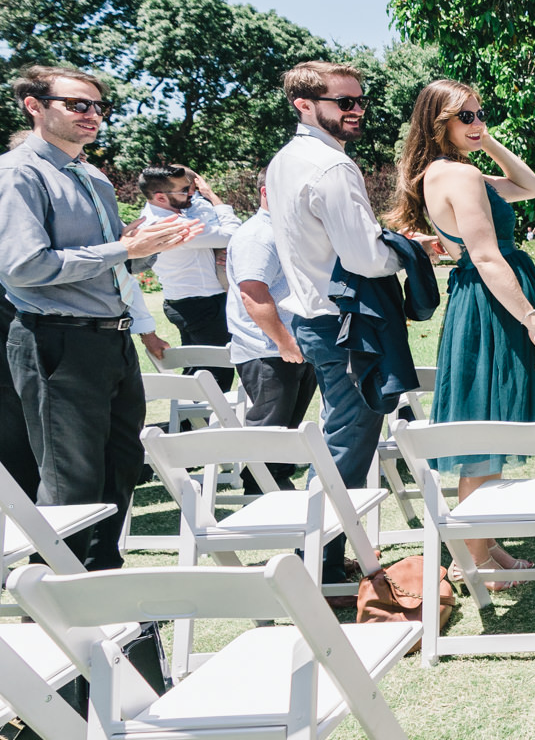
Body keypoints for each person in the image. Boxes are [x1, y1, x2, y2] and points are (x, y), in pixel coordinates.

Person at [0, 65, 200, 570]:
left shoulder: (93, 177)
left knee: (121, 467)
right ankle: (56, 604)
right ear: (35, 106)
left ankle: (103, 583)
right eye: (77, 104)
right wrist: (121, 248)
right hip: (56, 339)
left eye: (98, 106)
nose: (92, 115)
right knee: (71, 481)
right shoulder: (18, 174)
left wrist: (150, 246)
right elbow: (23, 267)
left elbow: (118, 262)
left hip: (113, 339)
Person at [388, 78, 535, 582]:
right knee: (485, 424)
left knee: (490, 422)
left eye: (481, 113)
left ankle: (484, 548)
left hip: (485, 299)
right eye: (466, 117)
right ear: (439, 123)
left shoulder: (460, 172)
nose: (478, 122)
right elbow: (485, 255)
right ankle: (473, 560)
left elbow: (531, 186)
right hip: (493, 304)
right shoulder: (457, 178)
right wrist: (532, 322)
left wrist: (485, 141)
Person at [267, 60, 408, 592]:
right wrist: (407, 253)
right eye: (342, 102)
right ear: (304, 104)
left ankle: (322, 555)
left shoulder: (285, 160)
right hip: (341, 322)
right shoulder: (331, 167)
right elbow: (366, 258)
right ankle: (315, 569)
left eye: (359, 101)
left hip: (313, 317)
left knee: (340, 440)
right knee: (347, 447)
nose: (356, 110)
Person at [226, 169, 314, 492]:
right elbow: (253, 294)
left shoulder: (287, 230)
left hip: (292, 345)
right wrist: (284, 341)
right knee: (269, 429)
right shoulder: (257, 236)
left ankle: (274, 483)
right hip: (269, 350)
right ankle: (261, 489)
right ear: (266, 192)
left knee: (286, 430)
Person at [139, 163, 241, 388]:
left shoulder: (153, 216)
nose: (191, 194)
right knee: (217, 375)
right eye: (184, 191)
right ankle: (196, 423)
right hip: (204, 305)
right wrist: (214, 198)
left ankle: (186, 421)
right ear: (160, 197)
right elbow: (232, 234)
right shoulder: (173, 225)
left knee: (199, 370)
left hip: (182, 302)